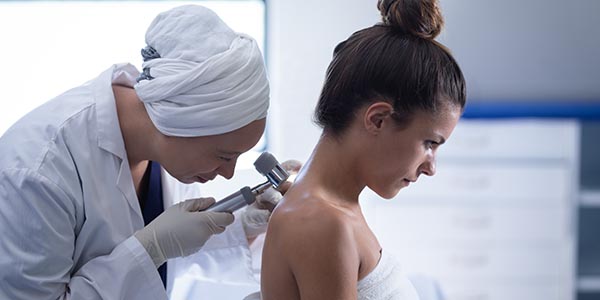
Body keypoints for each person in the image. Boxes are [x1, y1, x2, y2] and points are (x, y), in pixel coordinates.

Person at [0, 5, 290, 300]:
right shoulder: (39, 168)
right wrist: (151, 248)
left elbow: (169, 255)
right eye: (224, 156)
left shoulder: (164, 146)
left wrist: (243, 225)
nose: (228, 172)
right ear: (178, 123)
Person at [259, 0, 466, 299]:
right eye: (429, 144)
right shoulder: (323, 222)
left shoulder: (334, 209)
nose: (430, 167)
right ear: (378, 119)